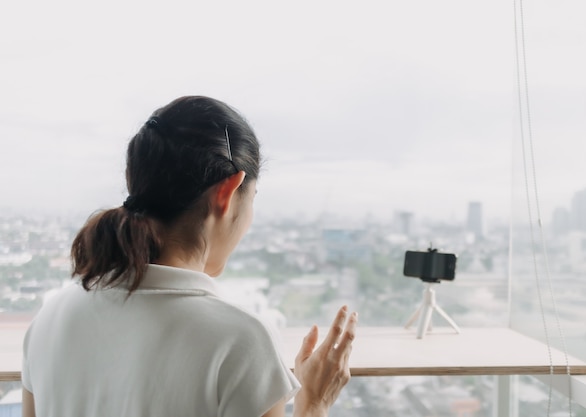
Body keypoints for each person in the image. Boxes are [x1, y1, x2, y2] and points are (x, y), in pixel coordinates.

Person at [21, 95, 357, 417]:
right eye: (252, 197)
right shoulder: (240, 341)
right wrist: (314, 403)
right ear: (227, 191)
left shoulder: (50, 319)